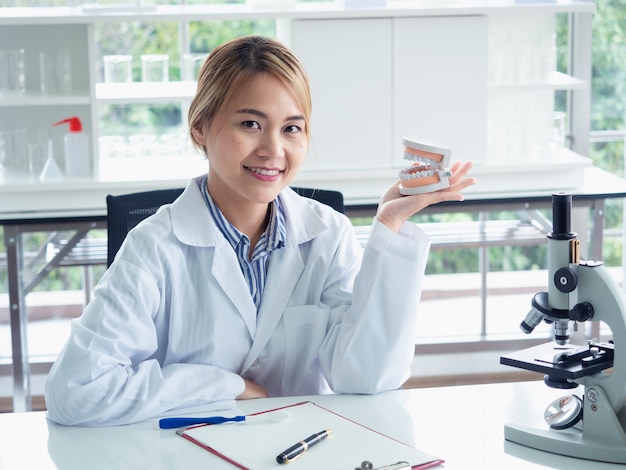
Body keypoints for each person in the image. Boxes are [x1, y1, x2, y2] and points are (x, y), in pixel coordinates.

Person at [44, 35, 476, 426]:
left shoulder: (326, 234)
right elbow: (76, 392)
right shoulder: (155, 247)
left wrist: (389, 229)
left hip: (301, 450)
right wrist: (222, 388)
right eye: (250, 124)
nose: (273, 149)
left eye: (292, 128)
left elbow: (366, 377)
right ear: (201, 127)